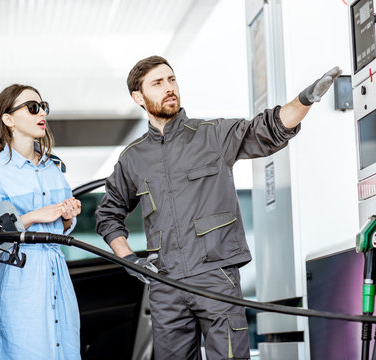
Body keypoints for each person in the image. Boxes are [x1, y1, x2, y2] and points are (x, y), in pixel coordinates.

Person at [95, 56, 341, 360]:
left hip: (216, 276)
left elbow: (266, 130)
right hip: (165, 283)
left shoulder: (212, 134)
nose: (169, 88)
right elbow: (108, 215)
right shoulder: (133, 158)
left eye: (172, 80)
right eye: (158, 83)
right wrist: (130, 259)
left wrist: (305, 100)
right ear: (138, 97)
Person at [0, 84, 82, 360]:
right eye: (32, 108)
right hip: (19, 277)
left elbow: (64, 227)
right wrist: (32, 217)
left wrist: (68, 217)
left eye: (43, 107)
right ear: (8, 119)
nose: (41, 113)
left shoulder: (54, 169)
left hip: (58, 274)